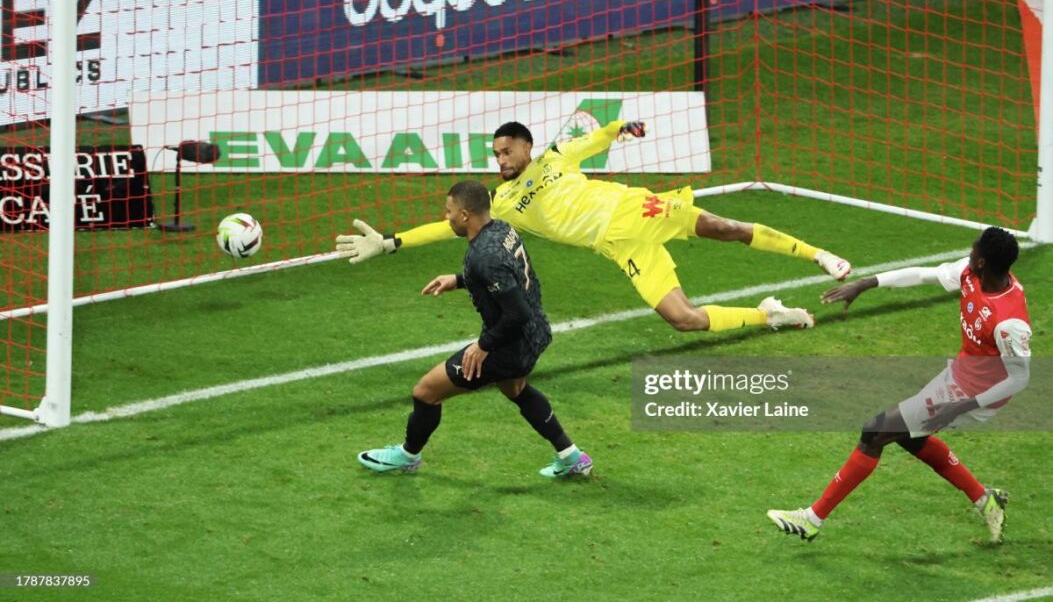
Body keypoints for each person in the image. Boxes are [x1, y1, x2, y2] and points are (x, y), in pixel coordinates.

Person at [337, 120, 852, 333]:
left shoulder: (556, 157)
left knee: (725, 227)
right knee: (682, 319)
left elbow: (597, 138)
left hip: (634, 210)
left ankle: (817, 255)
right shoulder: (503, 202)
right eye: (496, 155)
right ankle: (769, 315)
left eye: (507, 151)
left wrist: (621, 128)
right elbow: (451, 222)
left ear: (526, 147)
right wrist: (392, 242)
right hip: (617, 244)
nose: (501, 161)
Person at [766, 227, 1031, 542]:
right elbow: (922, 275)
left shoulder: (1009, 321)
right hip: (959, 376)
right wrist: (865, 284)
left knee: (875, 431)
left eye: (974, 250)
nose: (969, 252)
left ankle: (812, 519)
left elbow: (1019, 377)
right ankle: (986, 501)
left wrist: (962, 406)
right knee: (908, 436)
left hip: (976, 395)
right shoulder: (970, 273)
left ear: (983, 262)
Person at [357, 180, 592, 478]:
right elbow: (507, 278)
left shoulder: (484, 256)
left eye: (449, 211)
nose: (447, 217)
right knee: (516, 389)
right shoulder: (503, 229)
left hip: (507, 344)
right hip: (536, 332)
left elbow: (515, 312)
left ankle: (407, 455)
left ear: (465, 215)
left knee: (425, 392)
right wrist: (459, 280)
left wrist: (483, 346)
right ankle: (572, 457)